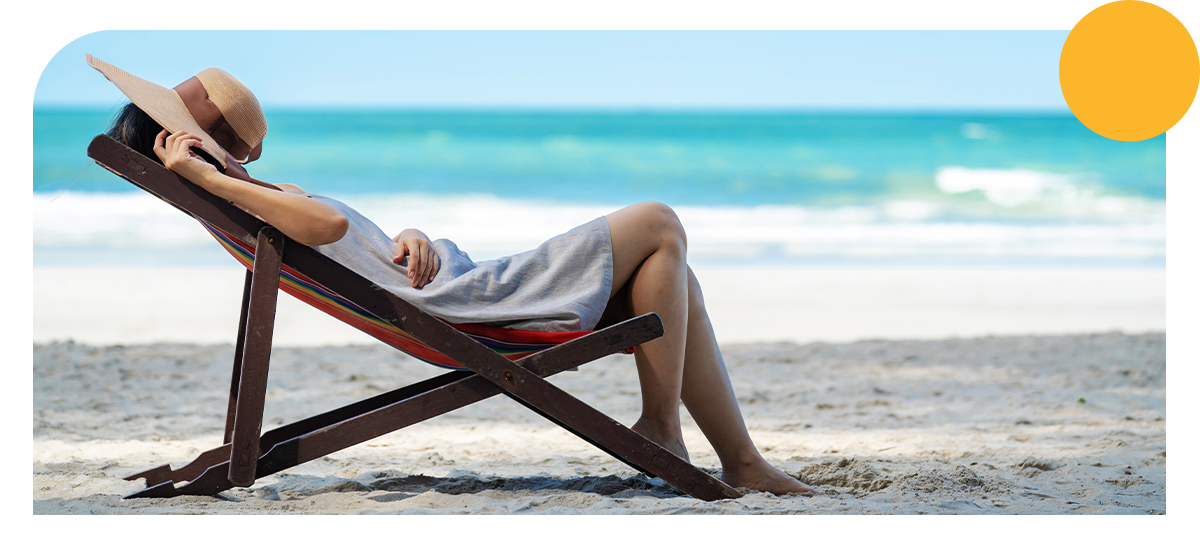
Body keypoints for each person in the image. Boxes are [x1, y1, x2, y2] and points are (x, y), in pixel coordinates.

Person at [88, 55, 817, 496]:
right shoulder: (238, 201)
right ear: (182, 148)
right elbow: (329, 229)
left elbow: (350, 241)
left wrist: (411, 237)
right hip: (464, 309)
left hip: (452, 290)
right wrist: (210, 180)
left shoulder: (244, 199)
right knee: (659, 221)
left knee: (673, 273)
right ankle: (664, 427)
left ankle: (740, 459)